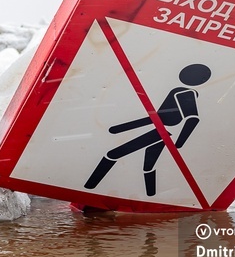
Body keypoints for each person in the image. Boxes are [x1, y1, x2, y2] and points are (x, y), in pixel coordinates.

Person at [84, 63, 211, 196]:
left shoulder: (186, 93)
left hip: (163, 132)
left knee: (113, 154)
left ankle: (89, 188)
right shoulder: (177, 91)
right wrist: (122, 128)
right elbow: (159, 117)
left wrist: (180, 142)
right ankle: (151, 197)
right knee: (148, 166)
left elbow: (192, 118)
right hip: (164, 131)